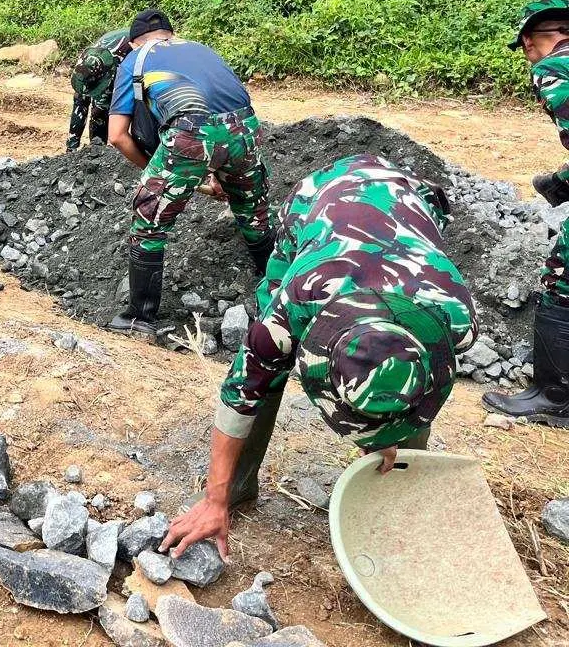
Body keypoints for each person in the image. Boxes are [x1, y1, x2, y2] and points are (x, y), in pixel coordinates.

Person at [160, 154, 476, 559]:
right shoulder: (292, 308)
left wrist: (386, 430)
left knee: (397, 406)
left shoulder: (454, 316)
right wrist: (213, 499)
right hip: (317, 201)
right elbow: (241, 391)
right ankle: (235, 487)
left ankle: (400, 488)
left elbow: (417, 386)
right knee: (266, 368)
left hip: (406, 200)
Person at [105, 9, 273, 336]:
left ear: (134, 41)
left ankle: (140, 318)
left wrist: (153, 170)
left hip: (191, 132)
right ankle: (279, 291)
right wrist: (209, 180)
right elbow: (223, 117)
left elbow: (117, 136)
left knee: (150, 219)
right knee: (254, 213)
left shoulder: (136, 59)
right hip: (246, 128)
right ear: (171, 33)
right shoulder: (202, 49)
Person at [483, 0, 569, 426]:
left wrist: (559, 184)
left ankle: (552, 396)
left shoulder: (555, 67)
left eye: (526, 47)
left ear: (540, 38)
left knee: (562, 279)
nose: (528, 58)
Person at [67, 27, 132, 152]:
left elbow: (105, 107)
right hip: (103, 63)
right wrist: (71, 148)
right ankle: (94, 148)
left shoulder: (119, 63)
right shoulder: (85, 64)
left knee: (100, 109)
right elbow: (79, 105)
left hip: (135, 61)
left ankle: (99, 148)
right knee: (81, 100)